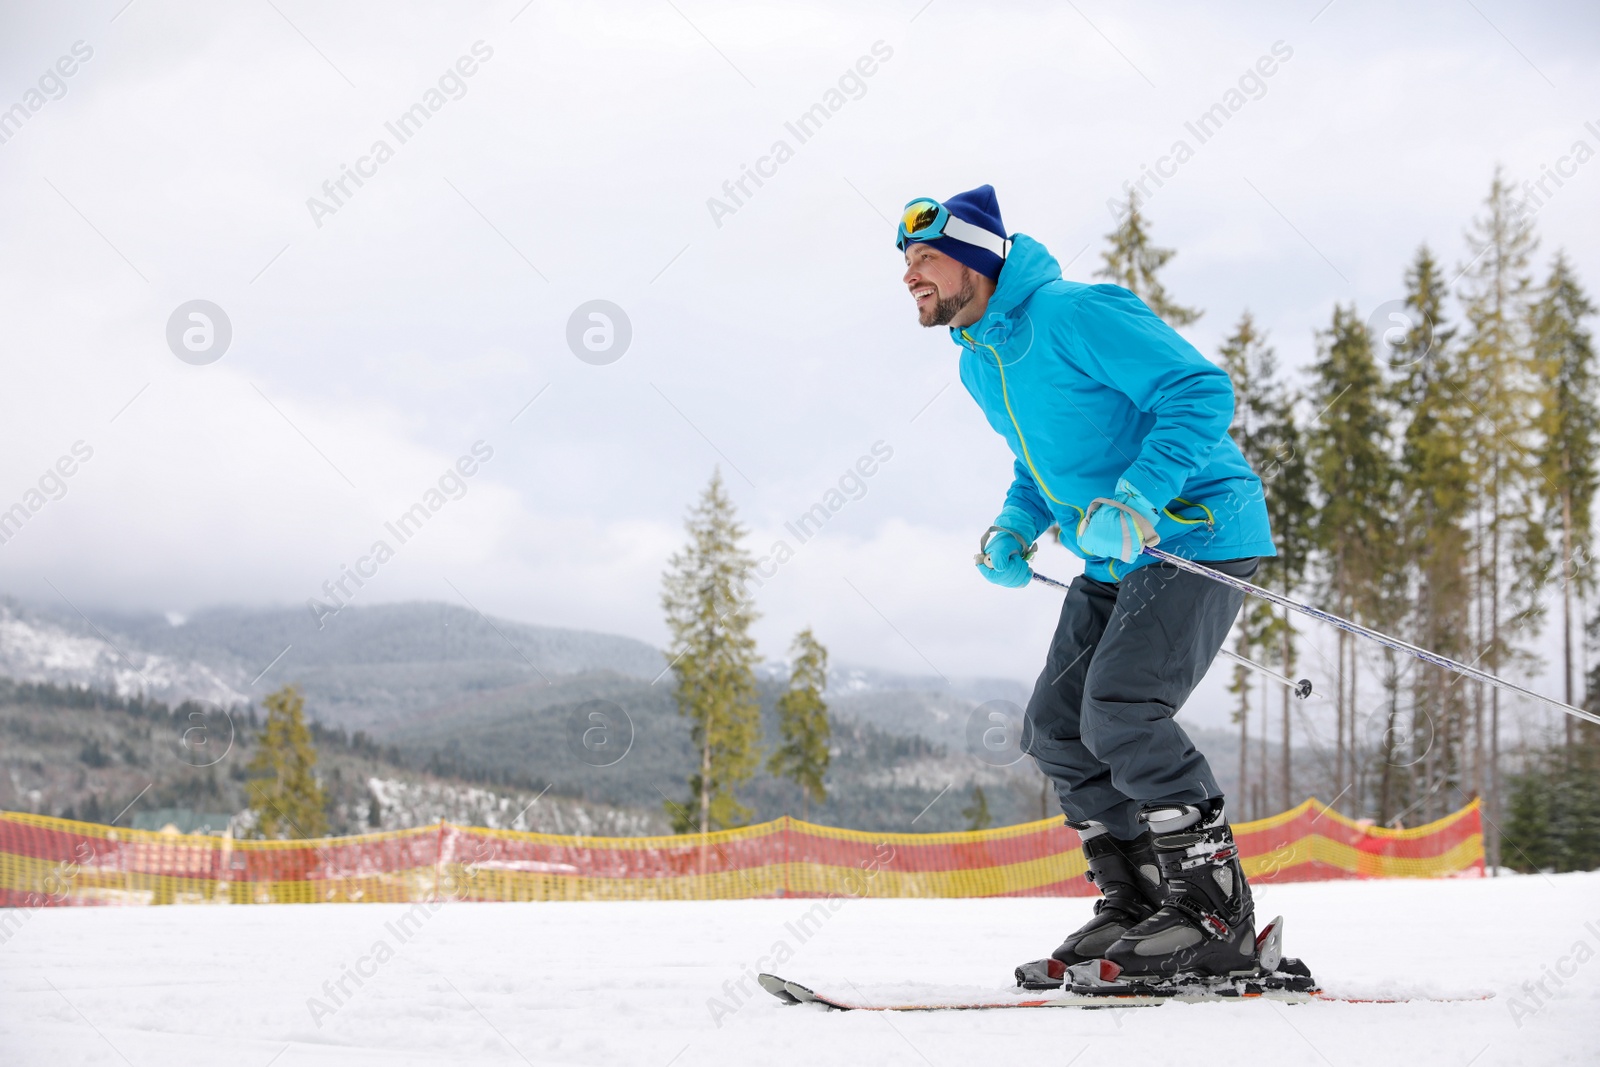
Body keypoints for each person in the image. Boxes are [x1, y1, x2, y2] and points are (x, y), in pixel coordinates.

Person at [896, 185, 1278, 987]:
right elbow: (1041, 461)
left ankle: (1215, 918)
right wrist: (1014, 525)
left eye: (926, 256)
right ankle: (1141, 902)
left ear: (975, 259)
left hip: (1195, 530)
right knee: (1057, 727)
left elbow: (1200, 390)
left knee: (1124, 711)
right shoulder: (981, 361)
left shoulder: (1075, 313)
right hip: (1115, 557)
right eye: (905, 261)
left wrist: (1138, 495)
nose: (910, 274)